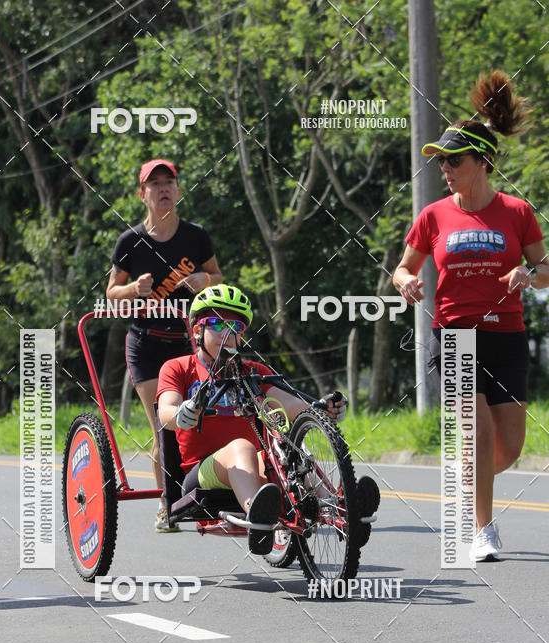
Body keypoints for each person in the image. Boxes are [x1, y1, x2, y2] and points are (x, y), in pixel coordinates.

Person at [393, 71, 549, 562]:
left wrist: (529, 273)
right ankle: (482, 529)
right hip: (455, 334)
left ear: (482, 161)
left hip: (507, 336)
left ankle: (469, 478)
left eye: (453, 160)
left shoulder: (517, 212)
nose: (445, 169)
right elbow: (402, 268)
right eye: (440, 162)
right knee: (477, 433)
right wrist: (406, 282)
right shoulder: (434, 215)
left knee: (509, 449)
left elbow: (546, 270)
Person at [156, 284, 348, 554]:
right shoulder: (178, 367)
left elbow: (289, 405)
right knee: (241, 447)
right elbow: (166, 411)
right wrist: (181, 413)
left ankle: (339, 507)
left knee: (288, 449)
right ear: (197, 331)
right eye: (218, 324)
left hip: (253, 467)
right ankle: (258, 518)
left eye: (235, 327)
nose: (227, 334)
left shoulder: (253, 371)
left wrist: (321, 409)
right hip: (201, 473)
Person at [106, 158, 223, 532]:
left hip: (190, 343)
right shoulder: (130, 241)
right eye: (154, 184)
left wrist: (204, 280)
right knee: (165, 426)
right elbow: (111, 294)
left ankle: (206, 493)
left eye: (168, 182)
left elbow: (218, 277)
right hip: (146, 345)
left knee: (202, 420)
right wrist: (131, 289)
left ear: (178, 190)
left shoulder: (196, 235)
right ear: (142, 195)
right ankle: (166, 504)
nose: (163, 189)